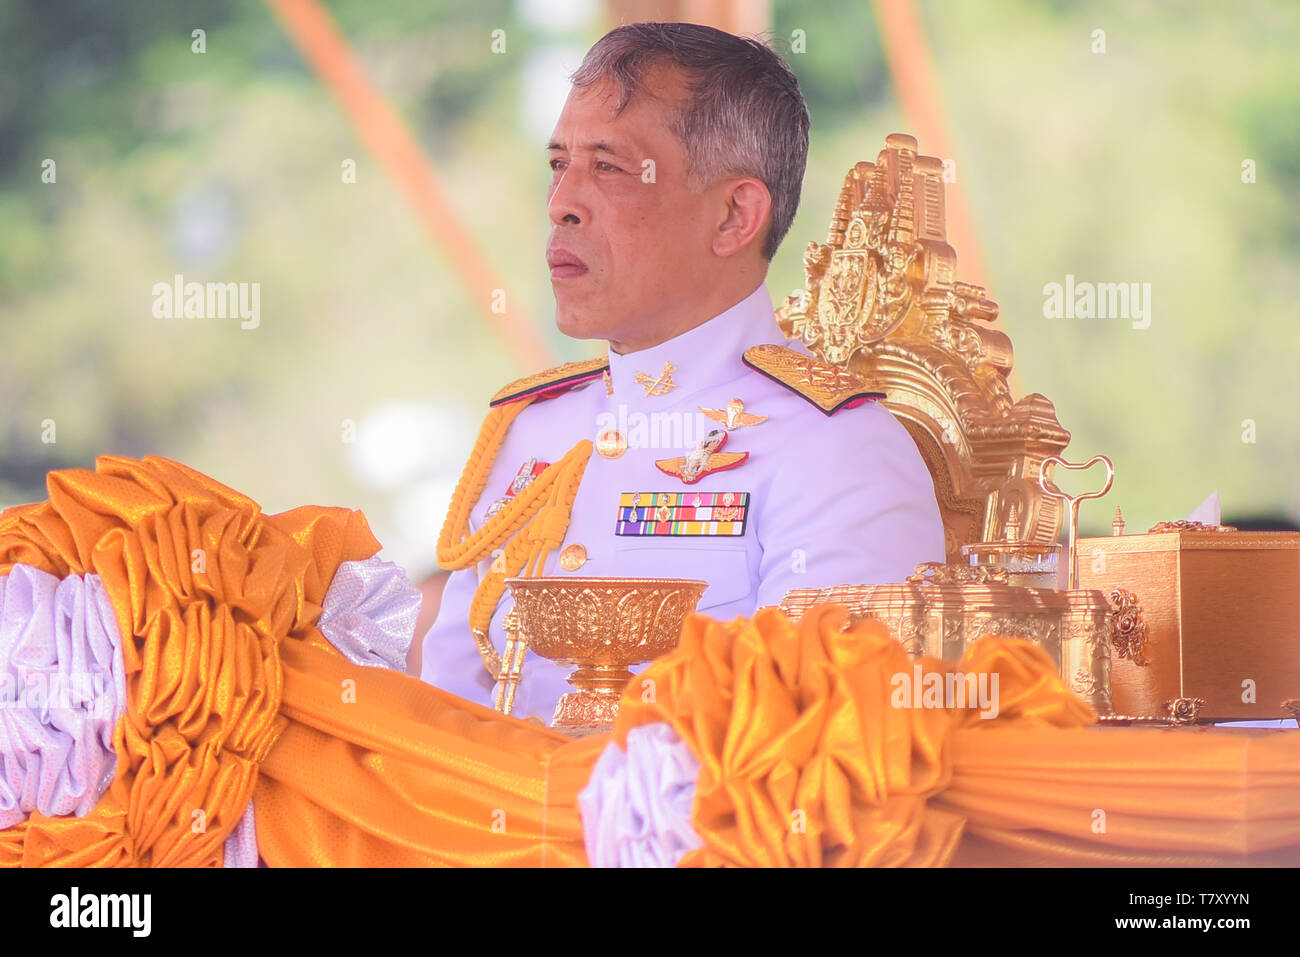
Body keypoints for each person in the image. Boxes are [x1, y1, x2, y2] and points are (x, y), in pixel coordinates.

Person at [421, 22, 945, 721]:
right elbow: (443, 717)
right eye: (558, 164)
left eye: (608, 166)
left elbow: (815, 753)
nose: (561, 203)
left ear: (733, 216)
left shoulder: (838, 450)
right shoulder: (526, 430)